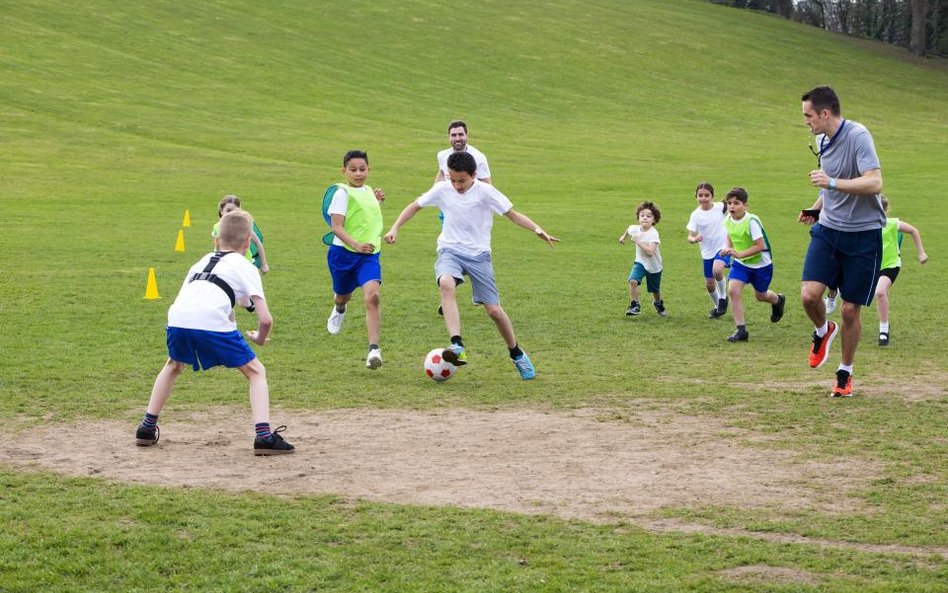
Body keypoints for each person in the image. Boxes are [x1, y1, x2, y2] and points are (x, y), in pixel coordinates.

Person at [384, 151, 558, 380]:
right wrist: (395, 227)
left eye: (462, 181)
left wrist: (537, 229)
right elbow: (414, 206)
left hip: (479, 255)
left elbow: (512, 214)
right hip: (450, 250)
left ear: (474, 175)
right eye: (453, 180)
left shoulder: (486, 192)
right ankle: (457, 345)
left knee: (494, 311)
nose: (457, 185)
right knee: (446, 284)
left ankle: (516, 353)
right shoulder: (443, 188)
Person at [135, 209, 294, 455]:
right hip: (208, 321)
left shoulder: (200, 261)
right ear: (246, 243)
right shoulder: (246, 266)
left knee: (173, 365)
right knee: (256, 372)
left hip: (177, 319)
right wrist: (259, 339)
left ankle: (146, 428)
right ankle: (264, 437)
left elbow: (204, 298)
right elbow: (265, 319)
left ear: (217, 240)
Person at [799, 85, 885, 397]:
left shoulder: (858, 135)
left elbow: (875, 182)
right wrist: (816, 206)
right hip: (829, 230)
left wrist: (832, 182)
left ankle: (845, 372)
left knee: (850, 310)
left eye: (809, 115)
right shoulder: (822, 140)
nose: (806, 121)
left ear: (825, 113)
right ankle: (823, 330)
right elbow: (827, 187)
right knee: (809, 296)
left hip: (863, 234)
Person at [322, 150, 386, 369]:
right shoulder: (341, 193)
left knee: (373, 296)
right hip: (343, 255)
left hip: (369, 256)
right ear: (344, 171)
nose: (358, 174)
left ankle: (374, 350)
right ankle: (339, 309)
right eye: (353, 170)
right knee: (342, 297)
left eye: (363, 169)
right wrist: (356, 244)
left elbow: (365, 217)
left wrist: (376, 201)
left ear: (368, 169)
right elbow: (336, 228)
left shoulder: (368, 190)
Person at [719, 187, 785, 342]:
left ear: (745, 206)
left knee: (761, 295)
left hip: (761, 265)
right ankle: (741, 330)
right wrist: (728, 249)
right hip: (741, 264)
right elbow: (730, 235)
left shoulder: (751, 221)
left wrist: (739, 253)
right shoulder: (727, 219)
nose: (732, 206)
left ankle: (778, 300)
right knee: (733, 290)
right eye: (729, 203)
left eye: (736, 203)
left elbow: (760, 246)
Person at [873, 196, 928, 346]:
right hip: (872, 266)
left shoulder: (892, 223)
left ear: (882, 209)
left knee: (880, 292)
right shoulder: (866, 226)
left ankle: (883, 330)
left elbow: (913, 230)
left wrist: (921, 253)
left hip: (891, 264)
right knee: (878, 294)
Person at [685, 182, 730, 318]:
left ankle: (723, 297)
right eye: (700, 195)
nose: (703, 198)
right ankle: (718, 308)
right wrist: (694, 239)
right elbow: (690, 236)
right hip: (707, 251)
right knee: (710, 285)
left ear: (712, 196)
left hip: (722, 246)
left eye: (707, 195)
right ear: (696, 196)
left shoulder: (721, 207)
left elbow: (736, 208)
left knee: (717, 271)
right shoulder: (695, 215)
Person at [619, 201, 667, 317]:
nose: (645, 218)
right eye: (642, 215)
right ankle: (635, 305)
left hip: (654, 266)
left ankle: (658, 303)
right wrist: (623, 237)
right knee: (632, 280)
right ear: (638, 217)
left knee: (655, 290)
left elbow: (650, 252)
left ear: (654, 220)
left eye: (649, 216)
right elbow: (628, 229)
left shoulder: (653, 234)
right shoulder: (634, 228)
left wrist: (638, 241)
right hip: (640, 262)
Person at [212, 195, 269, 274]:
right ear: (221, 211)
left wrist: (264, 264)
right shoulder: (217, 227)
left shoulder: (243, 227)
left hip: (245, 264)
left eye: (235, 211)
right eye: (228, 210)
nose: (231, 214)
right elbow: (218, 248)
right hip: (227, 265)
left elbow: (258, 242)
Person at [435, 120, 492, 184]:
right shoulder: (442, 155)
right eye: (453, 135)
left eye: (460, 134)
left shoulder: (478, 157)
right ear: (449, 137)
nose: (457, 139)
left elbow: (487, 184)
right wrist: (432, 192)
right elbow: (442, 172)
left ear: (466, 135)